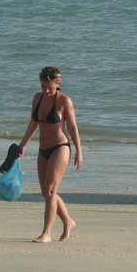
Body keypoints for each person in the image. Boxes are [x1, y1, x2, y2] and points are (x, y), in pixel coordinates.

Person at [18, 66, 83, 243]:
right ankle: (68, 221)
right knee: (46, 193)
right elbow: (33, 123)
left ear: (58, 83)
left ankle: (47, 233)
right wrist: (23, 145)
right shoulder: (37, 98)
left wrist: (79, 151)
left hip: (60, 148)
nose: (46, 90)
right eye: (43, 86)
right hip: (43, 150)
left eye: (50, 87)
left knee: (50, 190)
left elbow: (72, 127)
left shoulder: (64, 101)